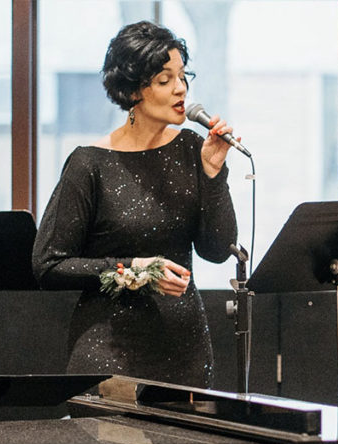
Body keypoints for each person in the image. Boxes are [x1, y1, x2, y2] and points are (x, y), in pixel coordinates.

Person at [33, 20, 238, 388]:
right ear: (132, 92)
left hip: (184, 351)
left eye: (182, 76)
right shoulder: (89, 163)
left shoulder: (192, 148)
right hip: (110, 355)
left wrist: (213, 173)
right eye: (164, 80)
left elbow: (219, 250)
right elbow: (49, 264)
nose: (181, 89)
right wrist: (135, 270)